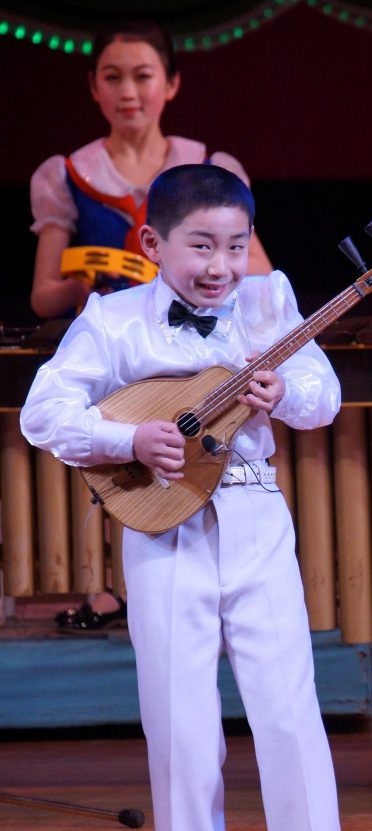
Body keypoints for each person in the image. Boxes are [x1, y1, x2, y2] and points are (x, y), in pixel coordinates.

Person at [20, 163, 355, 831]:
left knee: (286, 715)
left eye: (235, 246)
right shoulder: (112, 320)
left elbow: (323, 394)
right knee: (180, 726)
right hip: (161, 531)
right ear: (152, 244)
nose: (219, 265)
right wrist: (125, 438)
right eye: (200, 245)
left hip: (253, 517)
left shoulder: (269, 302)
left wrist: (287, 394)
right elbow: (44, 410)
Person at [29, 18, 271, 630]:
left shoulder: (208, 169)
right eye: (113, 77)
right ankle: (117, 591)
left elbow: (261, 279)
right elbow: (42, 296)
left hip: (198, 360)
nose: (129, 91)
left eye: (143, 76)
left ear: (172, 83)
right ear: (94, 87)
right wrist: (88, 282)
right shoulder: (67, 174)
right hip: (119, 357)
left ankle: (217, 596)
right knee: (123, 473)